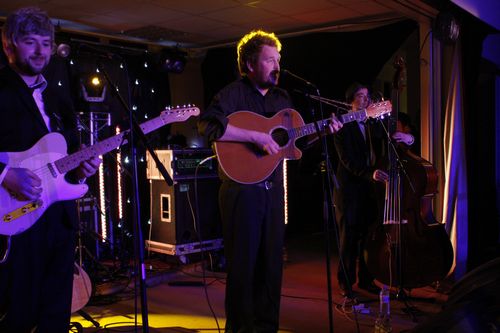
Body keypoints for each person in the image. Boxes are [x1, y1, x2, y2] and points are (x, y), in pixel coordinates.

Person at [198, 30, 342, 332]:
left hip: (273, 190)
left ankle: (267, 328)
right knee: (243, 267)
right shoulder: (231, 94)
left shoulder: (283, 99)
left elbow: (291, 145)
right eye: (269, 60)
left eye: (278, 60)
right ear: (250, 64)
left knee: (272, 266)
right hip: (241, 192)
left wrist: (324, 131)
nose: (277, 66)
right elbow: (208, 126)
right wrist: (254, 135)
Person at [0, 7, 101, 333]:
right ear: (8, 44)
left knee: (55, 313)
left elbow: (66, 161)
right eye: (31, 42)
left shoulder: (58, 97)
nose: (41, 51)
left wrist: (82, 170)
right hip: (16, 220)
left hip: (58, 219)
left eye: (46, 42)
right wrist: (5, 175)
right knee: (17, 313)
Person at [333, 83, 414, 297]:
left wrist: (408, 138)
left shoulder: (373, 125)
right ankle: (346, 283)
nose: (365, 100)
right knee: (348, 238)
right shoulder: (342, 125)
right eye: (360, 96)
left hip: (370, 189)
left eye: (367, 96)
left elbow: (392, 138)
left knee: (368, 237)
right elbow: (348, 161)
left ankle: (367, 280)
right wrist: (371, 174)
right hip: (349, 190)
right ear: (350, 101)